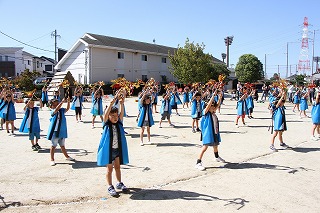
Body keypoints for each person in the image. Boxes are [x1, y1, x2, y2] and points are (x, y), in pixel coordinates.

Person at [97, 92, 129, 197]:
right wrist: (110, 104)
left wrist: (122, 103)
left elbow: (121, 114)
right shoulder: (106, 124)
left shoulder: (119, 122)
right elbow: (105, 115)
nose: (115, 117)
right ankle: (110, 186)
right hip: (109, 150)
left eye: (116, 116)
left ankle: (119, 183)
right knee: (109, 169)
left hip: (117, 150)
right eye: (113, 116)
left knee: (118, 167)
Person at [195, 91, 225, 171]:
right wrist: (213, 95)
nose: (213, 108)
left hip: (214, 132)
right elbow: (208, 105)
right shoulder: (205, 113)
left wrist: (220, 97)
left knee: (215, 145)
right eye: (212, 107)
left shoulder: (213, 113)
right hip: (207, 133)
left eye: (213, 107)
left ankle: (217, 157)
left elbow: (218, 105)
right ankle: (198, 162)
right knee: (205, 147)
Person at [47, 98, 74, 166]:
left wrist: (68, 102)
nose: (57, 105)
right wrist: (61, 102)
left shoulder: (61, 110)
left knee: (62, 145)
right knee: (53, 146)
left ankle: (67, 156)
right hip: (55, 131)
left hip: (61, 130)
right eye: (55, 104)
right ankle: (52, 159)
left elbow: (67, 109)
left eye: (57, 103)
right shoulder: (53, 111)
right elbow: (56, 110)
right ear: (52, 106)